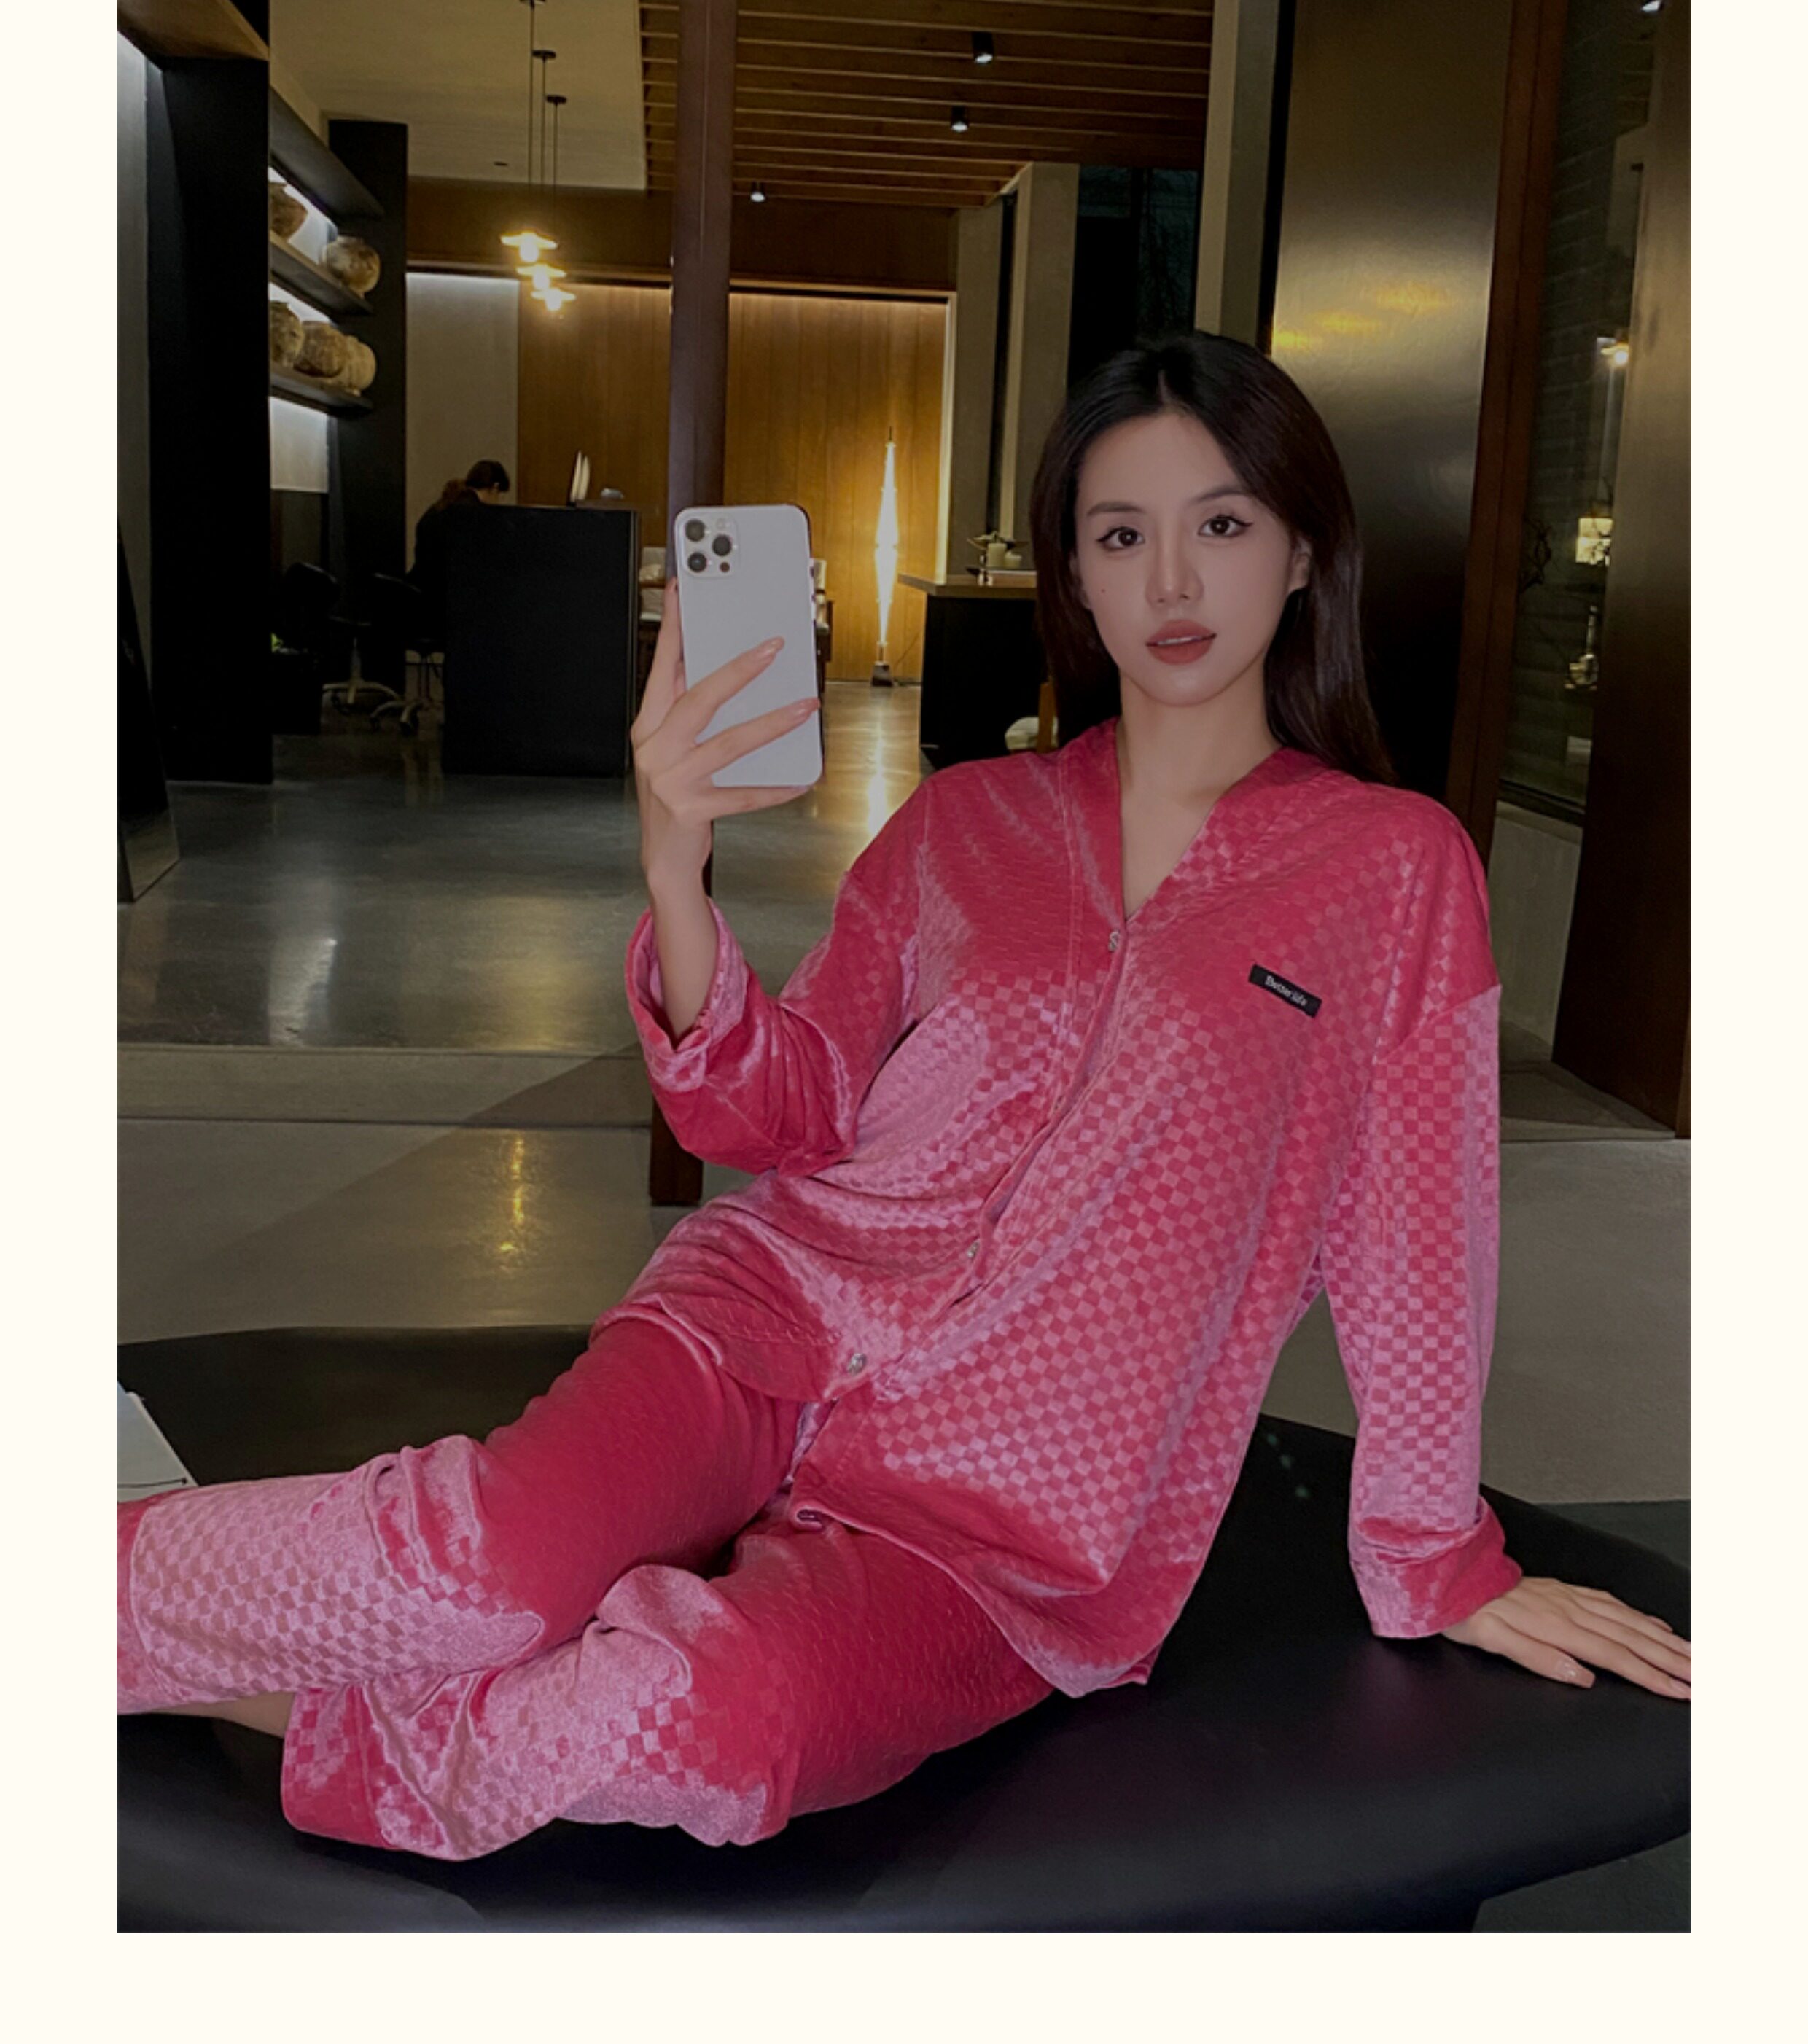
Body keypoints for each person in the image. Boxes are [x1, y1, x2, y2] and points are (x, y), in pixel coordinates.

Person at [117, 333, 1689, 1862]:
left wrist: (1435, 1554)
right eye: (1120, 534)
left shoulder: (1392, 869)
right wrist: (676, 866)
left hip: (1015, 1515)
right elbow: (778, 1114)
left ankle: (224, 1675)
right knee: (485, 1569)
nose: (1170, 582)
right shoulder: (964, 823)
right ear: (1072, 574)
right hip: (763, 1324)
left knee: (713, 1722)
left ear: (1301, 554)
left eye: (1220, 526)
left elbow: (1417, 1238)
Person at [408, 459, 510, 640]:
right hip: (446, 607)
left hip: (420, 597)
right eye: (501, 495)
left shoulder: (442, 505)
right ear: (495, 488)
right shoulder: (475, 516)